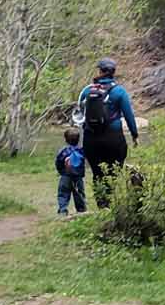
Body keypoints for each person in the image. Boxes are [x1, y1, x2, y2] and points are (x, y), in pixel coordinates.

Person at [76, 57, 138, 207]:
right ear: (114, 72)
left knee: (97, 174)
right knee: (112, 173)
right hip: (113, 139)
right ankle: (110, 206)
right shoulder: (119, 91)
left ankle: (101, 206)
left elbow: (80, 113)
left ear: (99, 71)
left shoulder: (86, 91)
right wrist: (134, 135)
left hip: (91, 139)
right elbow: (129, 115)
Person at [53, 127, 87, 215]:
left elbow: (58, 162)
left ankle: (63, 210)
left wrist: (61, 171)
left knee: (63, 193)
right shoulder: (81, 150)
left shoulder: (63, 151)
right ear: (78, 140)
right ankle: (81, 209)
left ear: (65, 140)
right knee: (79, 194)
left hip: (65, 176)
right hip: (78, 177)